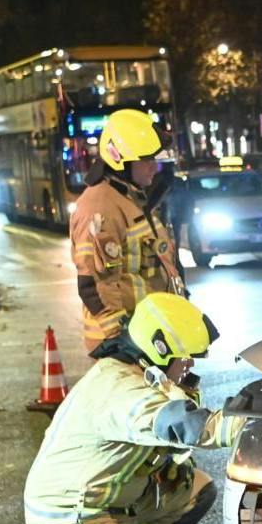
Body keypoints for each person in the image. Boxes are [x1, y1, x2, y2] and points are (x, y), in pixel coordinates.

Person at [6, 292, 240, 524]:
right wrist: (248, 425)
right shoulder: (121, 389)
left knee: (197, 491)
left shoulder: (137, 372)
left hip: (110, 494)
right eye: (185, 359)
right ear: (158, 350)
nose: (189, 367)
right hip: (70, 507)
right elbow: (183, 424)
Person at [71, 108, 184, 355]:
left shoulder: (132, 197)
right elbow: (94, 282)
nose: (154, 168)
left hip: (148, 335)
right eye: (146, 160)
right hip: (123, 344)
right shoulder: (100, 208)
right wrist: (119, 337)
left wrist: (184, 313)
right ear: (119, 159)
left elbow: (159, 266)